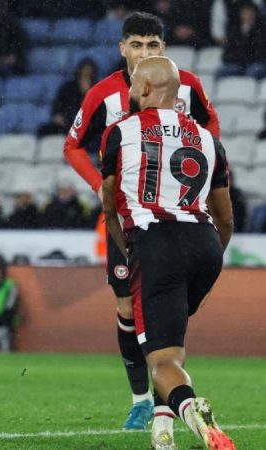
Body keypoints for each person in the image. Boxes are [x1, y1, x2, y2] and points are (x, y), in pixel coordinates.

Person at [63, 11, 220, 434]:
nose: (144, 52)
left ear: (163, 48)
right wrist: (101, 185)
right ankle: (141, 400)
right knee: (126, 307)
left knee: (160, 314)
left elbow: (211, 128)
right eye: (137, 45)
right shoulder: (103, 93)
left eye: (152, 45)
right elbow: (73, 145)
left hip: (176, 220)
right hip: (128, 217)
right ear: (122, 48)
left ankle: (166, 404)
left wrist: (207, 176)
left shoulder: (187, 85)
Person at [101, 56, 235, 450]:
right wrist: (209, 255)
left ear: (143, 89)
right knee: (171, 346)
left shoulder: (120, 131)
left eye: (132, 86)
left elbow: (110, 207)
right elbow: (226, 218)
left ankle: (191, 409)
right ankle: (163, 431)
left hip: (155, 241)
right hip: (205, 243)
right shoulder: (209, 139)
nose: (128, 92)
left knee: (160, 359)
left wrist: (134, 252)